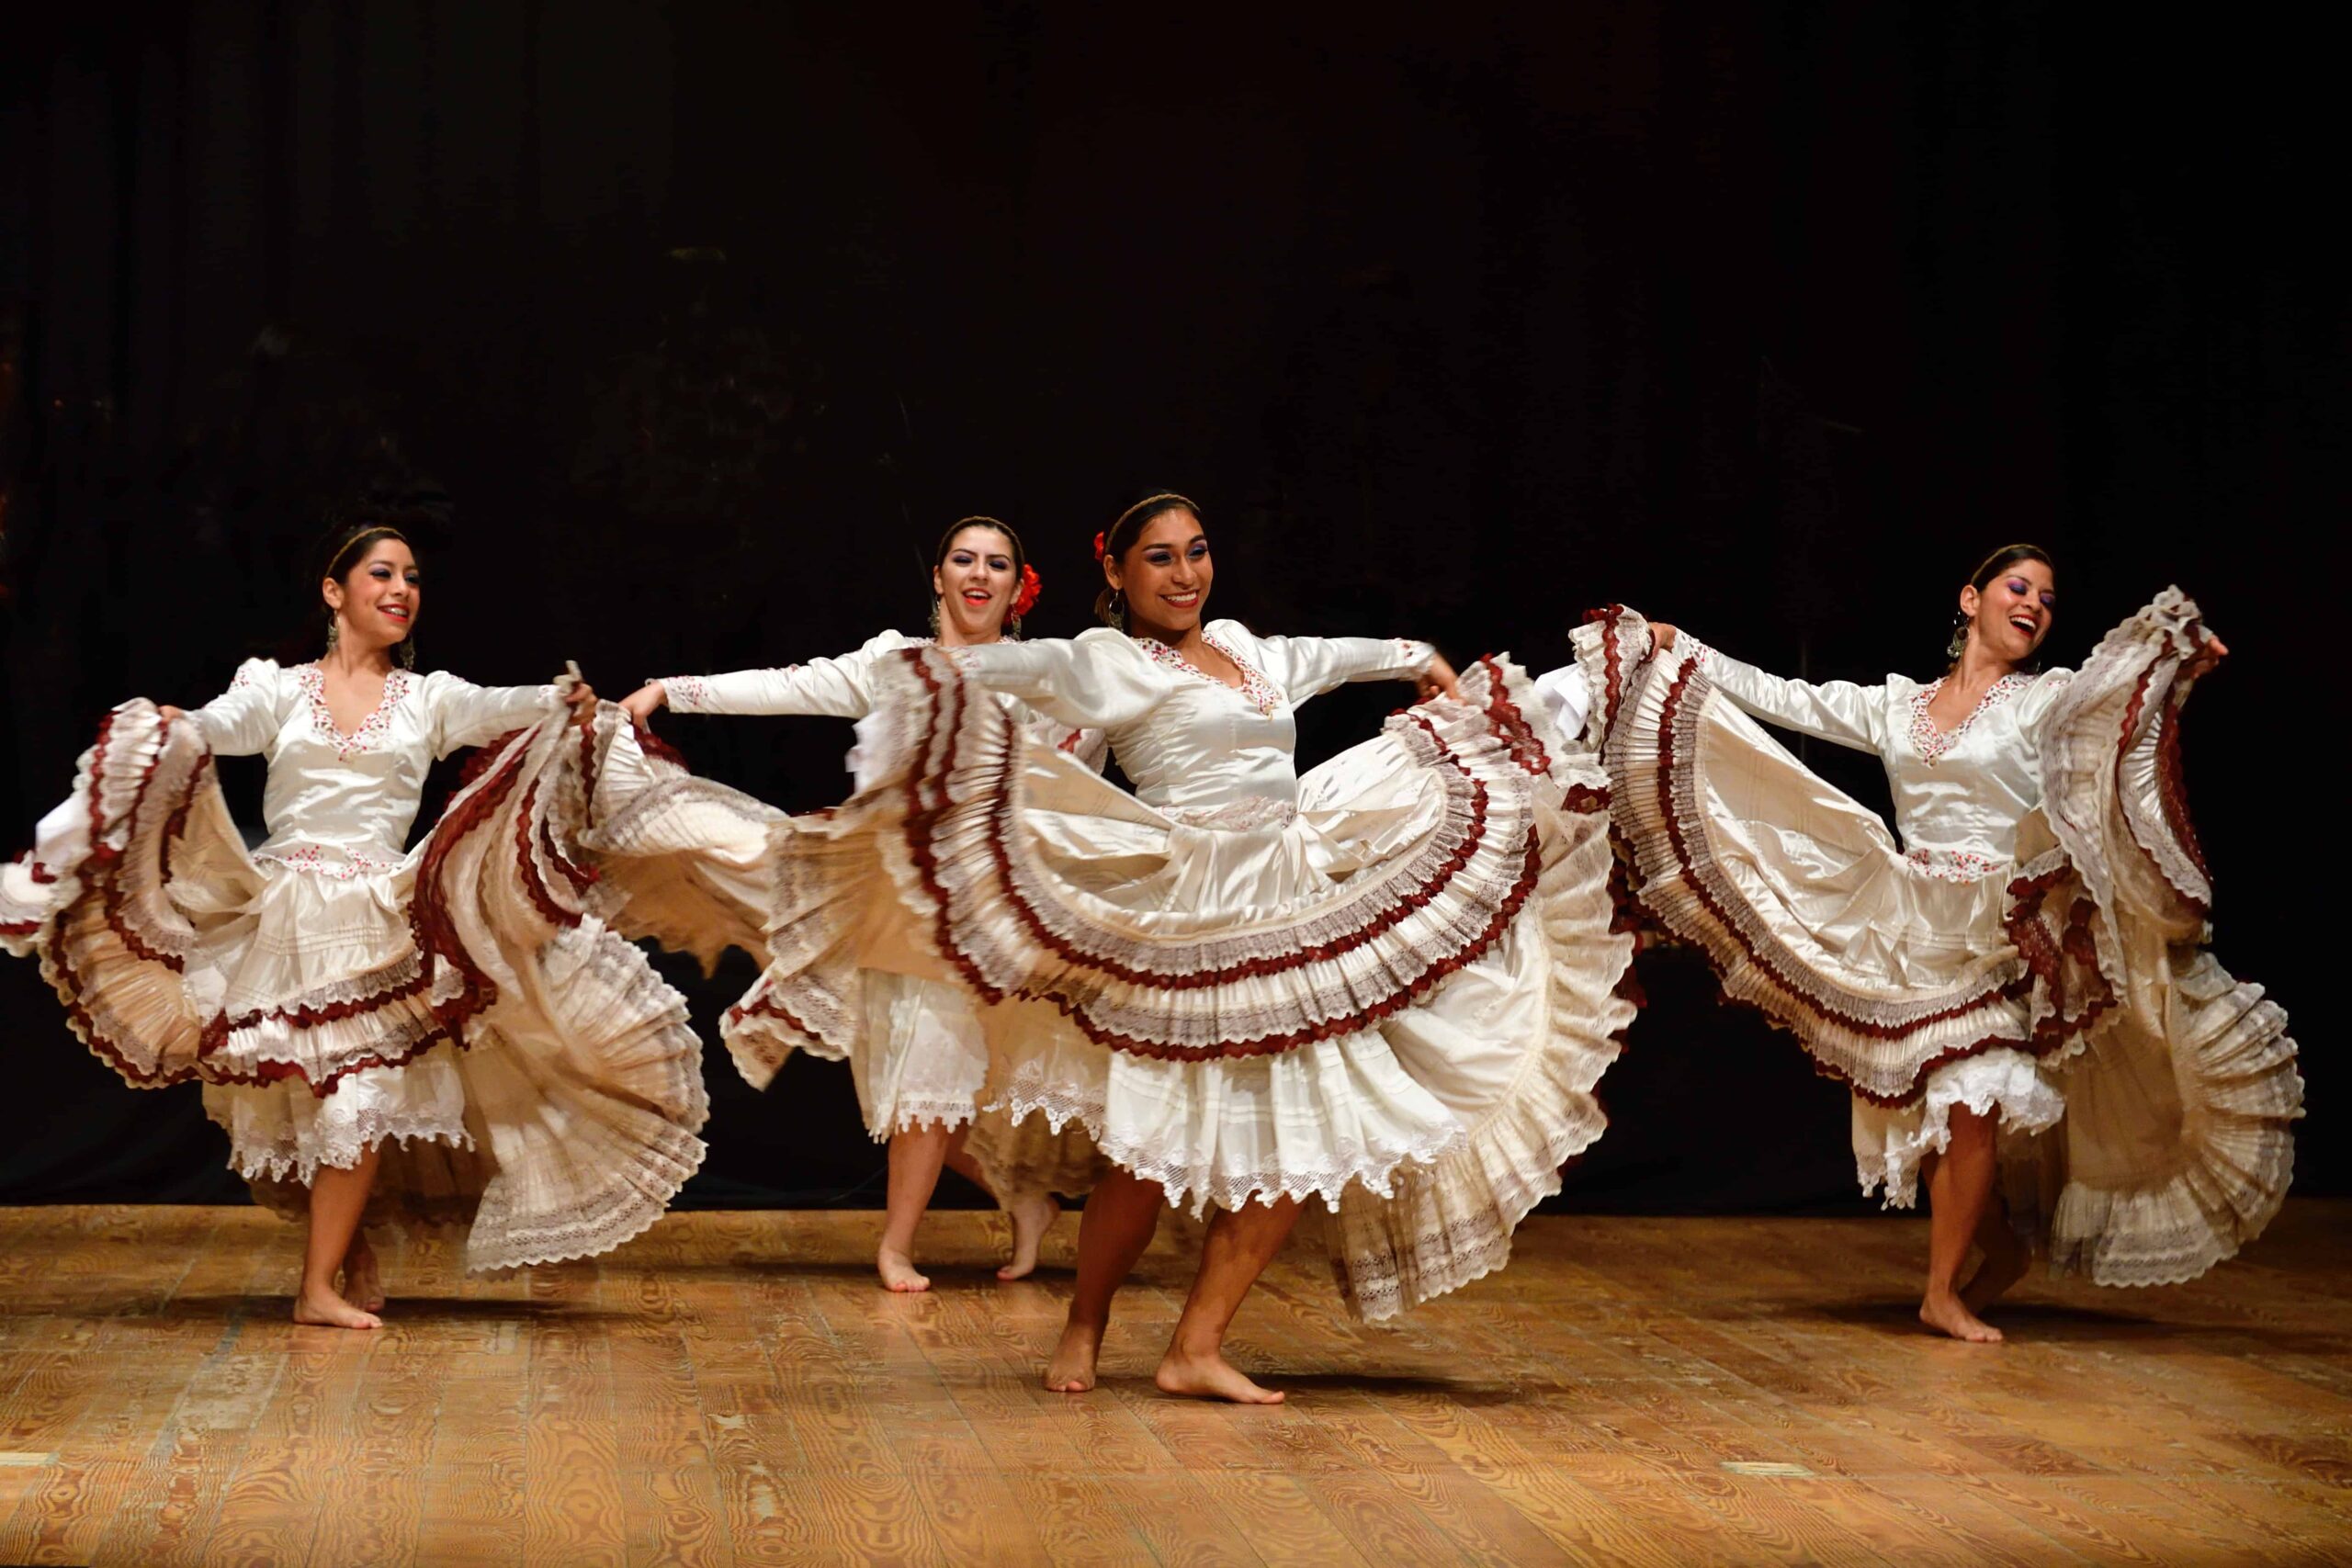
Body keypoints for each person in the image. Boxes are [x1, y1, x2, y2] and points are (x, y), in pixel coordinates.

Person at [757, 491, 1637, 1401]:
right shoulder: (1107, 664)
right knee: (1147, 1155)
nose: (1185, 575)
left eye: (1197, 552)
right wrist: (862, 675)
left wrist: (1425, 664)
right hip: (1195, 911)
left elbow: (1340, 659)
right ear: (1116, 572)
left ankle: (1196, 1347)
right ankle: (1087, 1326)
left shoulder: (1250, 649)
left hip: (1293, 904)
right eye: (1160, 559)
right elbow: (982, 668)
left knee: (1300, 1144)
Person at [0, 516, 710, 1328]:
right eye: (381, 573)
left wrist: (560, 700)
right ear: (335, 592)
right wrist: (179, 726)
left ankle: (317, 1287)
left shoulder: (426, 698)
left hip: (380, 913)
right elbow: (223, 724)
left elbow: (495, 709)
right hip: (287, 917)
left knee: (361, 1097)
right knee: (297, 1102)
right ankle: (339, 1253)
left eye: (411, 576)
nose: (401, 589)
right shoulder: (278, 687)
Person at [1577, 545, 2300, 1341]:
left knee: (1976, 1090)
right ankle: (1992, 1249)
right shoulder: (1897, 706)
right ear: (1971, 599)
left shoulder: (2043, 699)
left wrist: (2168, 662)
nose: (2033, 605)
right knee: (1928, 1107)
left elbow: (2109, 709)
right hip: (1911, 924)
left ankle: (1940, 1292)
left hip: (1998, 926)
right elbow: (1788, 698)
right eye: (2017, 588)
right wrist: (1684, 649)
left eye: (2048, 599)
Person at [615, 517, 1102, 1292]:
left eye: (997, 564)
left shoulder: (1043, 674)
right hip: (888, 894)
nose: (979, 575)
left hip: (974, 906)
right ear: (938, 576)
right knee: (905, 1076)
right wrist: (672, 691)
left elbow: (1078, 766)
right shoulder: (893, 663)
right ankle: (1023, 1196)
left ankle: (898, 1245)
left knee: (925, 1071)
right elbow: (789, 684)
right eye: (965, 560)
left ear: (1017, 587)